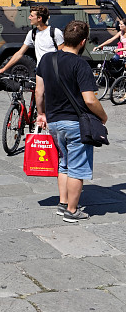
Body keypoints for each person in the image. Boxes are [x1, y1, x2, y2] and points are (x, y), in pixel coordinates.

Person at [36, 20, 107, 223]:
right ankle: (72, 210)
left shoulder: (47, 60)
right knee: (77, 167)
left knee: (64, 164)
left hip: (55, 122)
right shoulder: (80, 64)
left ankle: (63, 202)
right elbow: (90, 99)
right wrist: (103, 116)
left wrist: (41, 114)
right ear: (83, 42)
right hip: (75, 123)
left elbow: (39, 92)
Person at [0, 5, 64, 78]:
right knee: (38, 90)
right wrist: (3, 69)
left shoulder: (55, 32)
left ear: (39, 18)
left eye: (31, 16)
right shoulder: (32, 33)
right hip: (40, 70)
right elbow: (19, 53)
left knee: (50, 89)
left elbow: (62, 55)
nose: (29, 17)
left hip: (54, 71)